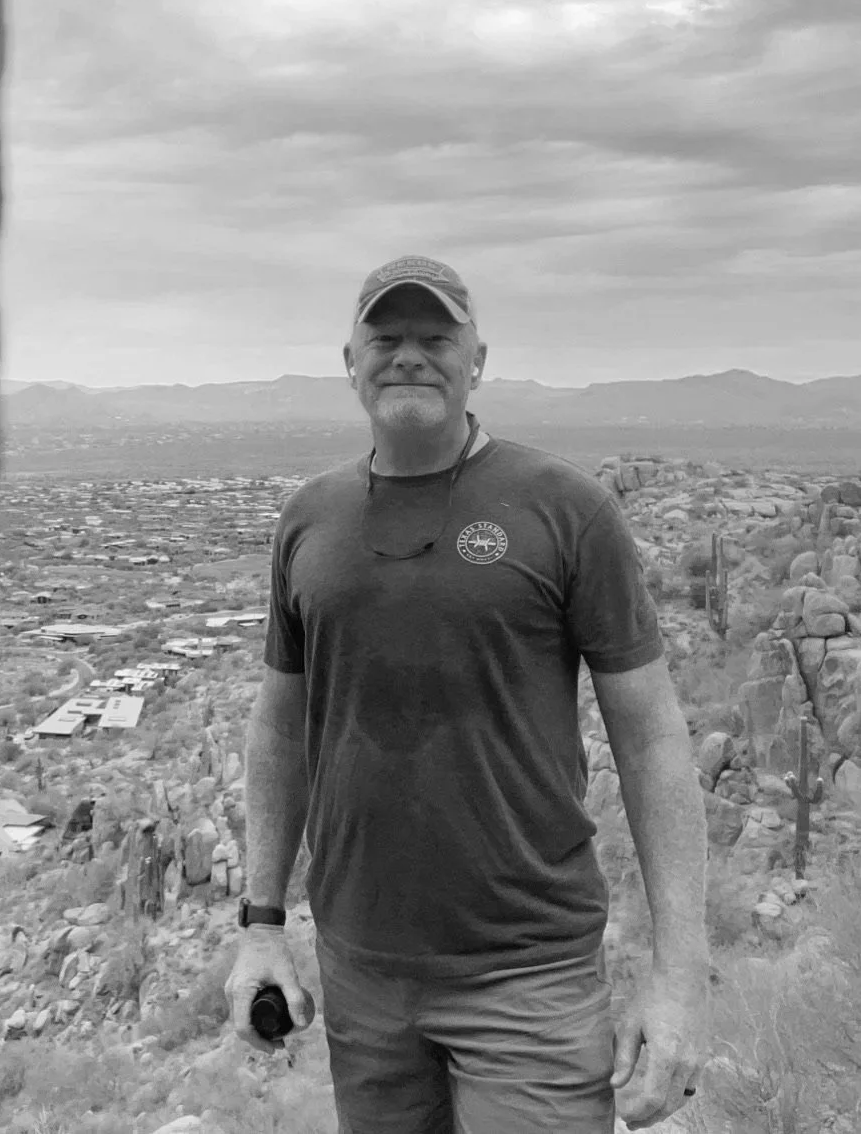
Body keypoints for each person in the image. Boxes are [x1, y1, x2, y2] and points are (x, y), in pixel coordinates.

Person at [222, 256, 708, 1133]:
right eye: (386, 337)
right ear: (350, 360)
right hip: (362, 972)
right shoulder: (309, 519)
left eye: (436, 337)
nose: (409, 355)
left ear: (477, 360)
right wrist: (262, 923)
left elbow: (650, 738)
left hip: (529, 975)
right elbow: (280, 726)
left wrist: (679, 976)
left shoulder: (567, 510)